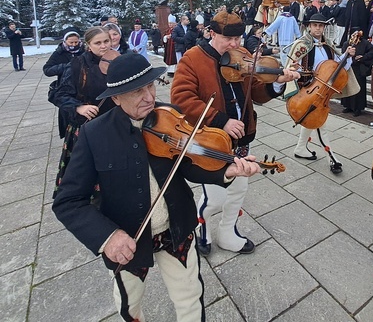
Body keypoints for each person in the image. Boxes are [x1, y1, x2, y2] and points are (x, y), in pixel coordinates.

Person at [53, 53, 261, 322]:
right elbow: (68, 201)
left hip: (176, 227)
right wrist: (108, 237)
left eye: (151, 86)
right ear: (116, 97)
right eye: (138, 91)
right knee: (130, 304)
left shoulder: (169, 116)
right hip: (129, 238)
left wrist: (226, 170)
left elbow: (188, 165)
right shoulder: (94, 134)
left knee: (190, 297)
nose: (150, 97)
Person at [170, 9, 300, 255]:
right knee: (215, 195)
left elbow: (257, 92)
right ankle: (202, 229)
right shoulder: (192, 58)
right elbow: (181, 99)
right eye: (228, 39)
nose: (234, 44)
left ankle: (228, 232)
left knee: (239, 187)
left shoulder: (242, 55)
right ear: (212, 33)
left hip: (241, 139)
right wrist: (221, 121)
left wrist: (275, 83)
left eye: (238, 39)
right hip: (211, 139)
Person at [286, 13, 356, 173]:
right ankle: (332, 159)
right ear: (309, 26)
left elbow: (338, 66)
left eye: (321, 25)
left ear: (324, 27)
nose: (318, 28)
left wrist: (347, 55)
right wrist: (299, 71)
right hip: (307, 90)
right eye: (315, 25)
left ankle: (300, 148)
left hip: (322, 91)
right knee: (319, 124)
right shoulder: (301, 44)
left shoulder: (328, 44)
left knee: (311, 120)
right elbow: (291, 66)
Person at [52, 26, 117, 196]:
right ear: (88, 45)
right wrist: (78, 107)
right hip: (87, 126)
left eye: (106, 41)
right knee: (86, 173)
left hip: (114, 123)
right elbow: (58, 94)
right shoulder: (77, 64)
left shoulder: (117, 61)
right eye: (98, 43)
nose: (103, 46)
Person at [43, 30, 85, 138]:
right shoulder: (59, 53)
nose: (74, 45)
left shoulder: (83, 51)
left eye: (76, 42)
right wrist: (66, 67)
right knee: (68, 115)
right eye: (71, 42)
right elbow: (47, 70)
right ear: (65, 41)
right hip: (66, 87)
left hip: (81, 88)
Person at [340, 30, 373, 116]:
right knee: (348, 87)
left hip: (359, 69)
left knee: (358, 88)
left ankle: (357, 108)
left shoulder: (365, 43)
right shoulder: (347, 43)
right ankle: (348, 105)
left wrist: (363, 58)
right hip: (349, 68)